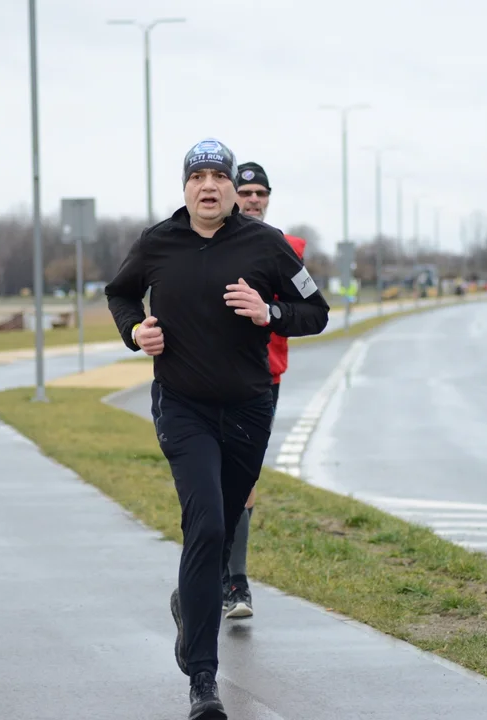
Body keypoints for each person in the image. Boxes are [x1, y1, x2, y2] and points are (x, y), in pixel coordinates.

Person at [105, 138, 329, 719]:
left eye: (219, 177)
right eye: (197, 176)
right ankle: (203, 680)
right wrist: (135, 333)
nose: (209, 186)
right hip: (184, 408)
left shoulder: (267, 245)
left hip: (249, 409)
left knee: (223, 527)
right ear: (185, 188)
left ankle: (191, 598)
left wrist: (269, 313)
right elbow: (121, 292)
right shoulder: (158, 242)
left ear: (234, 190)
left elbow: (317, 311)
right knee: (204, 522)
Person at [220, 162, 308, 621]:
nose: (253, 199)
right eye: (246, 191)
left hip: (264, 379)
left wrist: (269, 311)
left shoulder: (283, 248)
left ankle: (236, 581)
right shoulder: (208, 244)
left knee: (245, 480)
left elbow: (307, 308)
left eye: (261, 193)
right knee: (210, 482)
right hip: (206, 379)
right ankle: (217, 572)